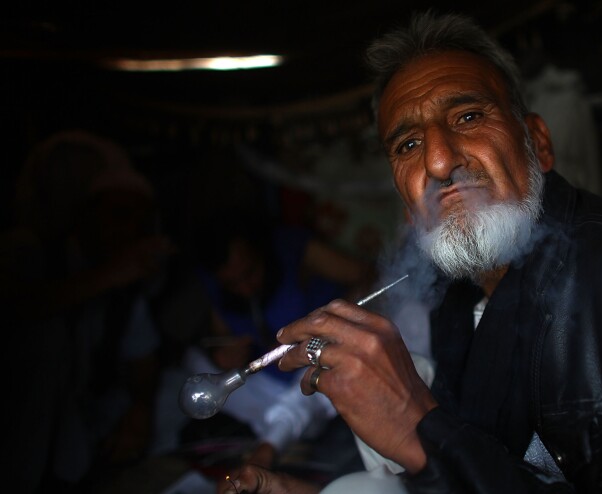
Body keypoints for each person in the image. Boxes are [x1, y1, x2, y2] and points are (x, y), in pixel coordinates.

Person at [221, 10, 602, 494]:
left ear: (538, 145)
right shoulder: (457, 294)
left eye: (467, 117)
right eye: (408, 145)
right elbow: (486, 469)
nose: (440, 160)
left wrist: (423, 426)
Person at [1, 130, 176, 492]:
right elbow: (18, 308)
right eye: (118, 214)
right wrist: (110, 275)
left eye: (138, 222)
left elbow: (142, 361)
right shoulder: (29, 251)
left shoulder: (126, 287)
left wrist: (140, 410)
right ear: (87, 213)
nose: (128, 229)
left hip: (77, 431)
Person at [180, 208, 376, 488]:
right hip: (275, 381)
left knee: (320, 366)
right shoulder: (216, 282)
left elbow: (369, 276)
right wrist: (223, 353)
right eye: (233, 283)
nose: (245, 288)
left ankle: (277, 437)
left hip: (317, 360)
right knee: (194, 362)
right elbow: (219, 338)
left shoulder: (295, 249)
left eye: (250, 274)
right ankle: (286, 427)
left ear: (260, 252)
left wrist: (325, 322)